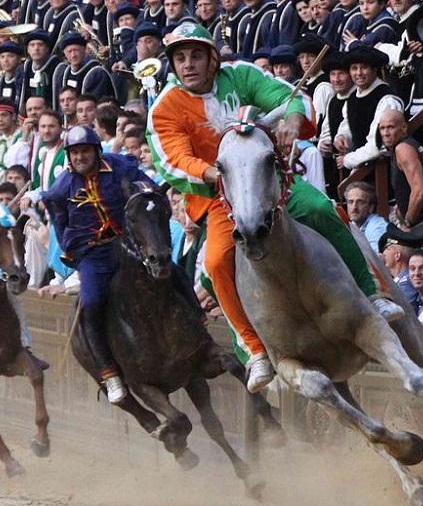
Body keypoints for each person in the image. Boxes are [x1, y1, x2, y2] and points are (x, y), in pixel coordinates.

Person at [147, 22, 403, 393]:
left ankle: (372, 293)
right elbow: (171, 160)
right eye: (181, 58)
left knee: (319, 207)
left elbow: (288, 97)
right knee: (218, 261)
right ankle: (254, 349)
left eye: (197, 56)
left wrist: (294, 118)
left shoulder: (241, 75)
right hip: (218, 194)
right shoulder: (165, 106)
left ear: (212, 58)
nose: (189, 64)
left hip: (269, 182)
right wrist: (213, 172)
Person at [42, 126, 160, 404]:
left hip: (132, 245)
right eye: (75, 152)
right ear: (69, 157)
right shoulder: (61, 188)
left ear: (96, 150)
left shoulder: (121, 166)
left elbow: (147, 189)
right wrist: (76, 256)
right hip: (94, 254)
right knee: (92, 302)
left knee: (170, 274)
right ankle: (109, 372)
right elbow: (61, 226)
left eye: (85, 150)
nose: (80, 156)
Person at [378, 109, 423, 230]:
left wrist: (408, 223)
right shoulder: (410, 145)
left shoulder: (403, 149)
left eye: (390, 127)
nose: (385, 133)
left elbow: (420, 190)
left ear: (403, 128)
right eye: (382, 128)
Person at [344, 181, 388, 251]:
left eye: (360, 202)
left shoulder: (377, 227)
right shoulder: (352, 225)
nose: (354, 207)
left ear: (371, 207)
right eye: (350, 202)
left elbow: (375, 259)